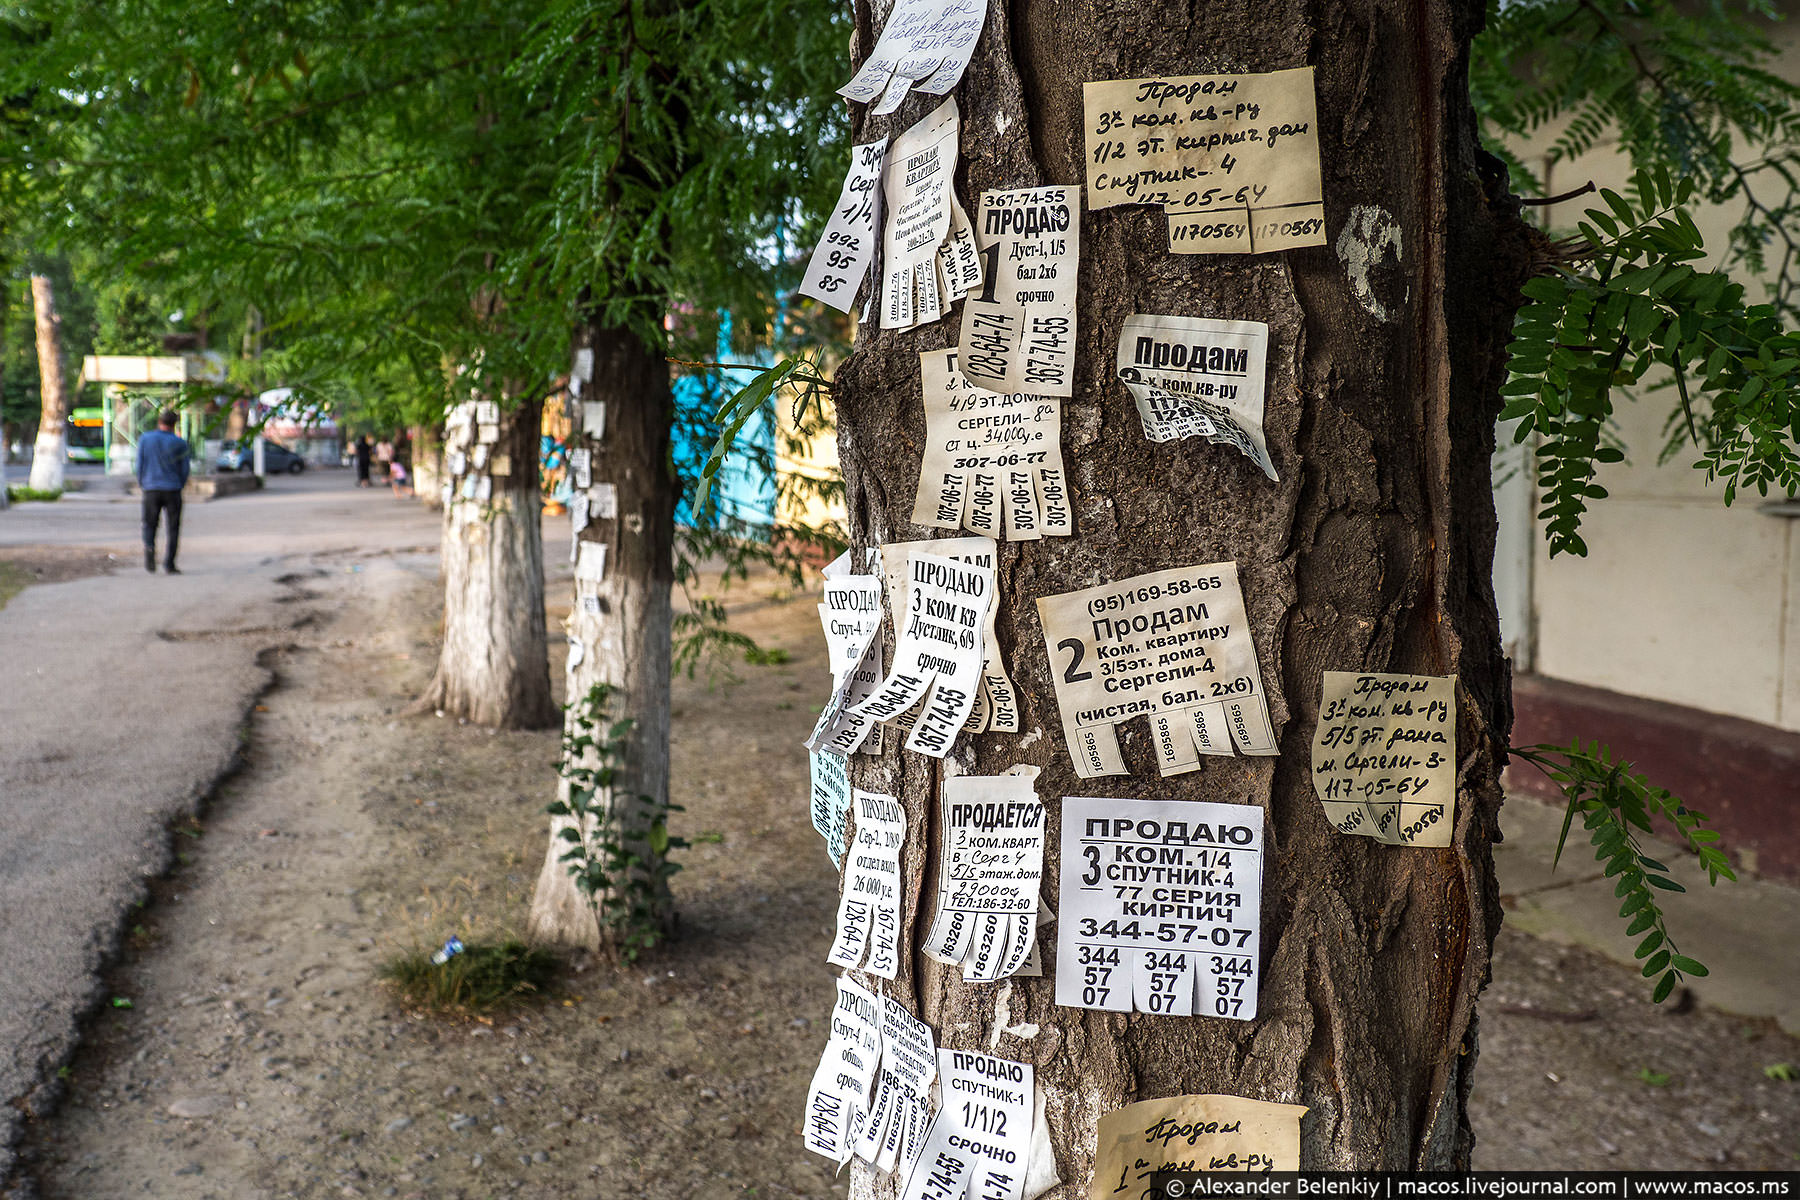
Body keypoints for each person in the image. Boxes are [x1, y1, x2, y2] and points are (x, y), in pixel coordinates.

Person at [136, 410, 190, 574]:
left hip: (151, 488)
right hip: (172, 489)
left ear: (159, 421)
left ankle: (150, 549)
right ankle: (169, 563)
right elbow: (185, 469)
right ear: (174, 424)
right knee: (173, 527)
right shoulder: (180, 443)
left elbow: (140, 465)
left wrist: (143, 483)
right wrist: (179, 484)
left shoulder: (145, 439)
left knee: (149, 524)